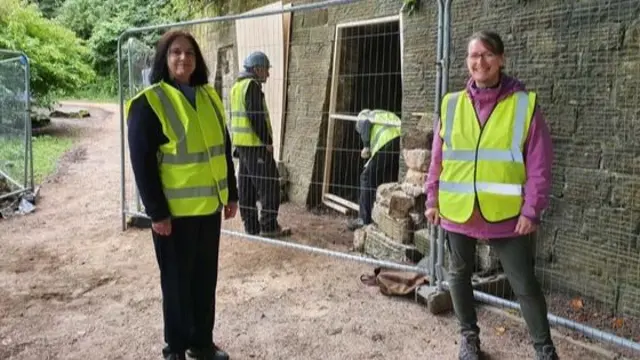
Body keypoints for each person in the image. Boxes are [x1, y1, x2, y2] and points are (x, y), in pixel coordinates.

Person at [424, 30, 558, 360]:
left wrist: (532, 210)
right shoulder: (451, 104)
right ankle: (468, 337)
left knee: (524, 284)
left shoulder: (524, 104)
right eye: (473, 55)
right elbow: (438, 158)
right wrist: (432, 198)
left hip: (507, 214)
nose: (479, 61)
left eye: (486, 54)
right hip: (459, 211)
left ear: (501, 59)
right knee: (458, 275)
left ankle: (545, 350)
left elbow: (540, 164)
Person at [126, 29, 238, 360]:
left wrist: (231, 194)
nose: (183, 58)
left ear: (197, 60)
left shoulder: (209, 97)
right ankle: (175, 349)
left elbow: (223, 146)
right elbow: (141, 162)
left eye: (189, 53)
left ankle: (201, 344)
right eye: (175, 52)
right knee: (176, 287)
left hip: (208, 210)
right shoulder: (150, 102)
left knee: (205, 281)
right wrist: (156, 213)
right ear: (165, 58)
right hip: (173, 216)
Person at [229, 51, 290, 238]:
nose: (268, 74)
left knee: (246, 187)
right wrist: (267, 142)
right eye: (265, 70)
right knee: (270, 184)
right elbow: (255, 116)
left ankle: (251, 226)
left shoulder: (236, 87)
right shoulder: (252, 86)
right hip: (256, 146)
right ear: (256, 69)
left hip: (242, 145)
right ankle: (268, 226)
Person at [347, 109, 401, 231]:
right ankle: (383, 217)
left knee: (365, 177)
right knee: (385, 178)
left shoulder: (366, 117)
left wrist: (366, 146)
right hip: (399, 141)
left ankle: (363, 219)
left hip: (386, 143)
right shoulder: (382, 114)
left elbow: (366, 123)